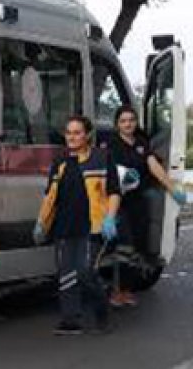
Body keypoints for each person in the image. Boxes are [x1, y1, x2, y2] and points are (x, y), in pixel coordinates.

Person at [34, 116, 122, 336]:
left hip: (93, 226)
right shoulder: (60, 162)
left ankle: (101, 312)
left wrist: (110, 218)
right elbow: (50, 196)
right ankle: (70, 320)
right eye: (69, 133)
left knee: (85, 272)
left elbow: (114, 191)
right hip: (64, 227)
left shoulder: (102, 158)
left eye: (77, 132)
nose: (72, 137)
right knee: (66, 275)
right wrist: (41, 223)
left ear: (87, 135)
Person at [105, 106, 188, 307]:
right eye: (123, 121)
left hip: (138, 202)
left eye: (131, 120)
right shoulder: (111, 144)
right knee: (124, 246)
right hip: (117, 201)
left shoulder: (141, 143)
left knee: (138, 248)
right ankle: (115, 291)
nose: (128, 124)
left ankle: (126, 291)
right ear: (117, 124)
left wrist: (172, 188)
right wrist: (109, 215)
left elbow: (154, 167)